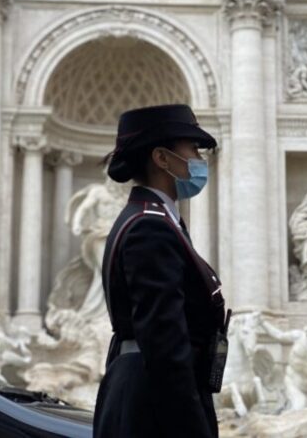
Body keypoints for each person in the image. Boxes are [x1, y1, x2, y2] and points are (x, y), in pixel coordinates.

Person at [93, 104, 228, 438]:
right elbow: (165, 344)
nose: (199, 158)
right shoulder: (149, 228)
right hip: (153, 406)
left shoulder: (153, 220)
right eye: (192, 149)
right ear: (162, 158)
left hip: (144, 394)